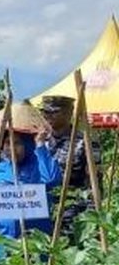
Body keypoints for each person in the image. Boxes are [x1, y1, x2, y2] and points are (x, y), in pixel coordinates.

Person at [0, 101, 61, 255]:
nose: (11, 149)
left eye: (17, 144)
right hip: (3, 245)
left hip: (33, 246)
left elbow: (51, 180)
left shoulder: (39, 165)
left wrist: (40, 145)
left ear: (28, 145)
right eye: (7, 144)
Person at [38, 95, 98, 233]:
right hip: (42, 212)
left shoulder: (85, 142)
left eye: (53, 112)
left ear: (69, 113)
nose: (47, 116)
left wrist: (90, 219)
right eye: (45, 112)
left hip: (72, 214)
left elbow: (94, 183)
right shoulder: (40, 141)